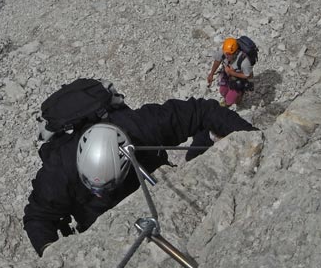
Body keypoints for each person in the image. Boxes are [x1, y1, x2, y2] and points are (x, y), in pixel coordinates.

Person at [23, 96, 256, 256]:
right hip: (101, 226)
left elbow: (203, 111)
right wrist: (51, 252)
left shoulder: (141, 127)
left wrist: (256, 137)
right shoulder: (58, 172)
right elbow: (37, 217)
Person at [207, 37, 254, 108]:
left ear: (236, 52)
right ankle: (229, 97)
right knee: (223, 91)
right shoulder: (224, 51)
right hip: (227, 73)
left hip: (240, 78)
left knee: (230, 100)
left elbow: (248, 76)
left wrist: (232, 73)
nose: (226, 56)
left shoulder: (245, 61)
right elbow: (217, 61)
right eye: (226, 53)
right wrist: (211, 74)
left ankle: (238, 97)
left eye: (229, 54)